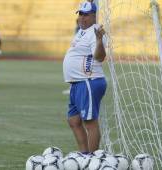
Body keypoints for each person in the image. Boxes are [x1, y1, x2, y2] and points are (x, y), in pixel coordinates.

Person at [63, 1, 107, 153]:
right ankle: (84, 154)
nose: (82, 17)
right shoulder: (82, 30)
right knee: (74, 120)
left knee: (90, 123)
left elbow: (100, 57)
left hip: (89, 81)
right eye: (80, 14)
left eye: (86, 15)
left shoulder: (95, 32)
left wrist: (100, 40)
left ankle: (92, 160)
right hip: (77, 83)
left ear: (94, 16)